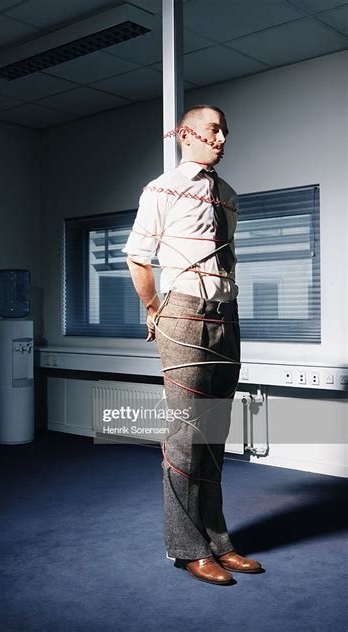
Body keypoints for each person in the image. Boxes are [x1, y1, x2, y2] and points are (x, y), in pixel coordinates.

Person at [122, 105, 263, 585]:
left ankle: (218, 542)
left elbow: (228, 262)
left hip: (226, 316)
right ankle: (186, 549)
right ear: (186, 134)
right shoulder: (161, 188)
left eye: (225, 130)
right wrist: (154, 310)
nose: (222, 138)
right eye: (213, 129)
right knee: (185, 437)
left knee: (213, 437)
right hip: (183, 315)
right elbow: (137, 256)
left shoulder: (227, 194)